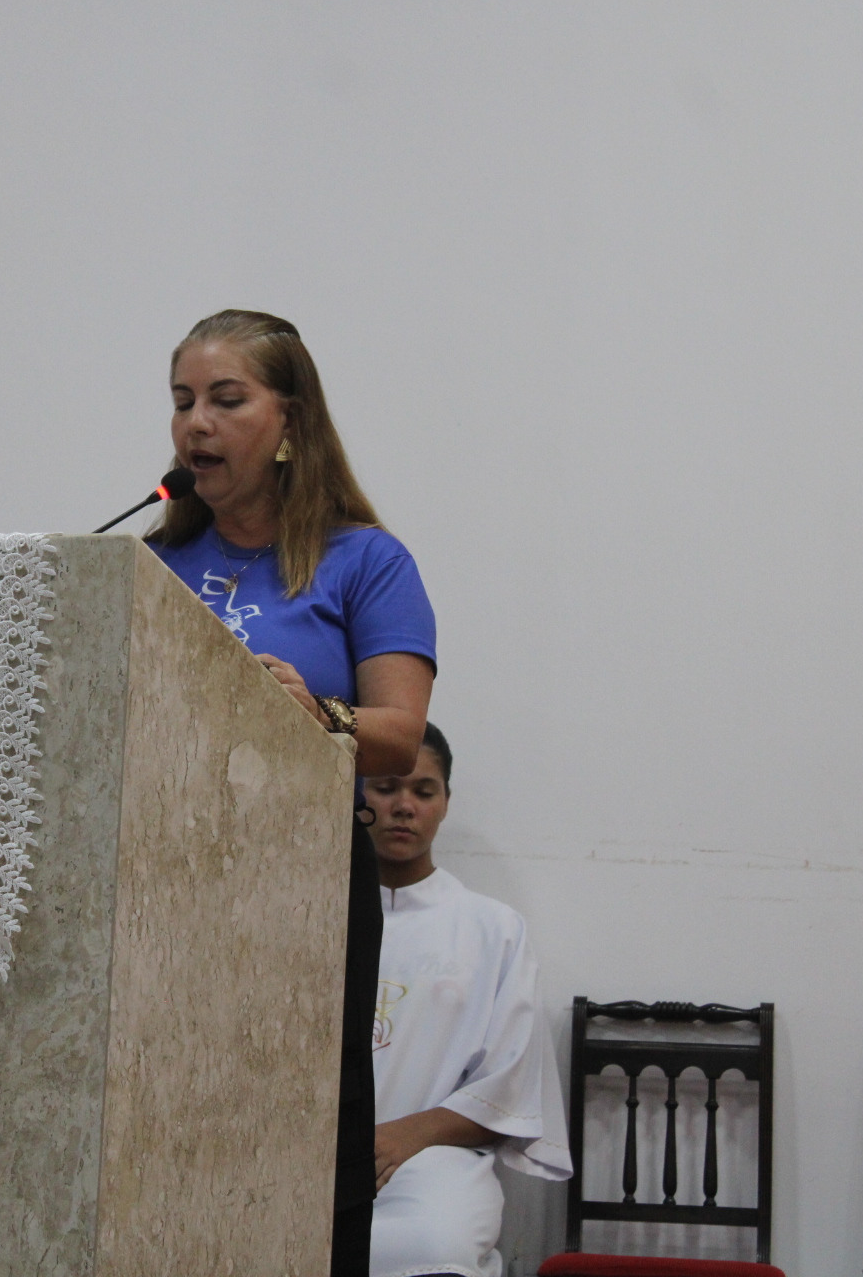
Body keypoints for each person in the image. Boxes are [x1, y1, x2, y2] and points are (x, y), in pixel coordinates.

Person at [145, 309, 437, 1277]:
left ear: (292, 423)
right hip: (163, 884)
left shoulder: (365, 560)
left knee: (301, 1128)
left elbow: (400, 732)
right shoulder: (152, 564)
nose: (196, 423)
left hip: (301, 885)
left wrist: (319, 713)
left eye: (226, 400)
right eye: (184, 401)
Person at [364, 723, 571, 1277]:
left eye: (423, 791)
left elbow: (510, 1086)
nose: (404, 806)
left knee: (432, 1247)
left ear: (445, 803)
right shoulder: (306, 912)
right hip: (311, 1155)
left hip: (432, 1159)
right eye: (386, 787)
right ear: (356, 796)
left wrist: (404, 1135)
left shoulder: (492, 929)